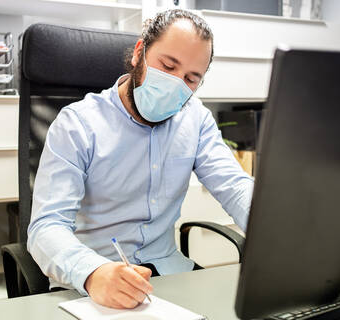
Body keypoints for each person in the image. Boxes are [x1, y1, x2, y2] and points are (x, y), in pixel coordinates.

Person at [27, 9, 254, 309]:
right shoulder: (77, 124)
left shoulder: (196, 119)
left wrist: (281, 232)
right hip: (91, 283)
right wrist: (93, 273)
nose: (176, 83)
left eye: (190, 78)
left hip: (168, 276)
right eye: (168, 66)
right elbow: (46, 226)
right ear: (139, 53)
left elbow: (235, 187)